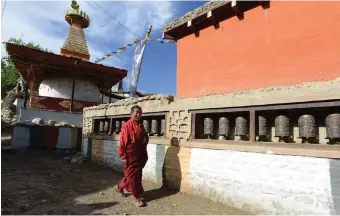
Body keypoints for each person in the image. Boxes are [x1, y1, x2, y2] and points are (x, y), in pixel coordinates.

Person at [114, 105, 149, 207]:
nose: (138, 115)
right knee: (133, 176)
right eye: (136, 112)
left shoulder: (140, 125)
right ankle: (136, 197)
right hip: (130, 155)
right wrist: (123, 157)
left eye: (140, 113)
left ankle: (119, 187)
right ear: (131, 113)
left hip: (139, 154)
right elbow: (122, 143)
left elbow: (144, 138)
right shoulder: (127, 126)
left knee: (134, 175)